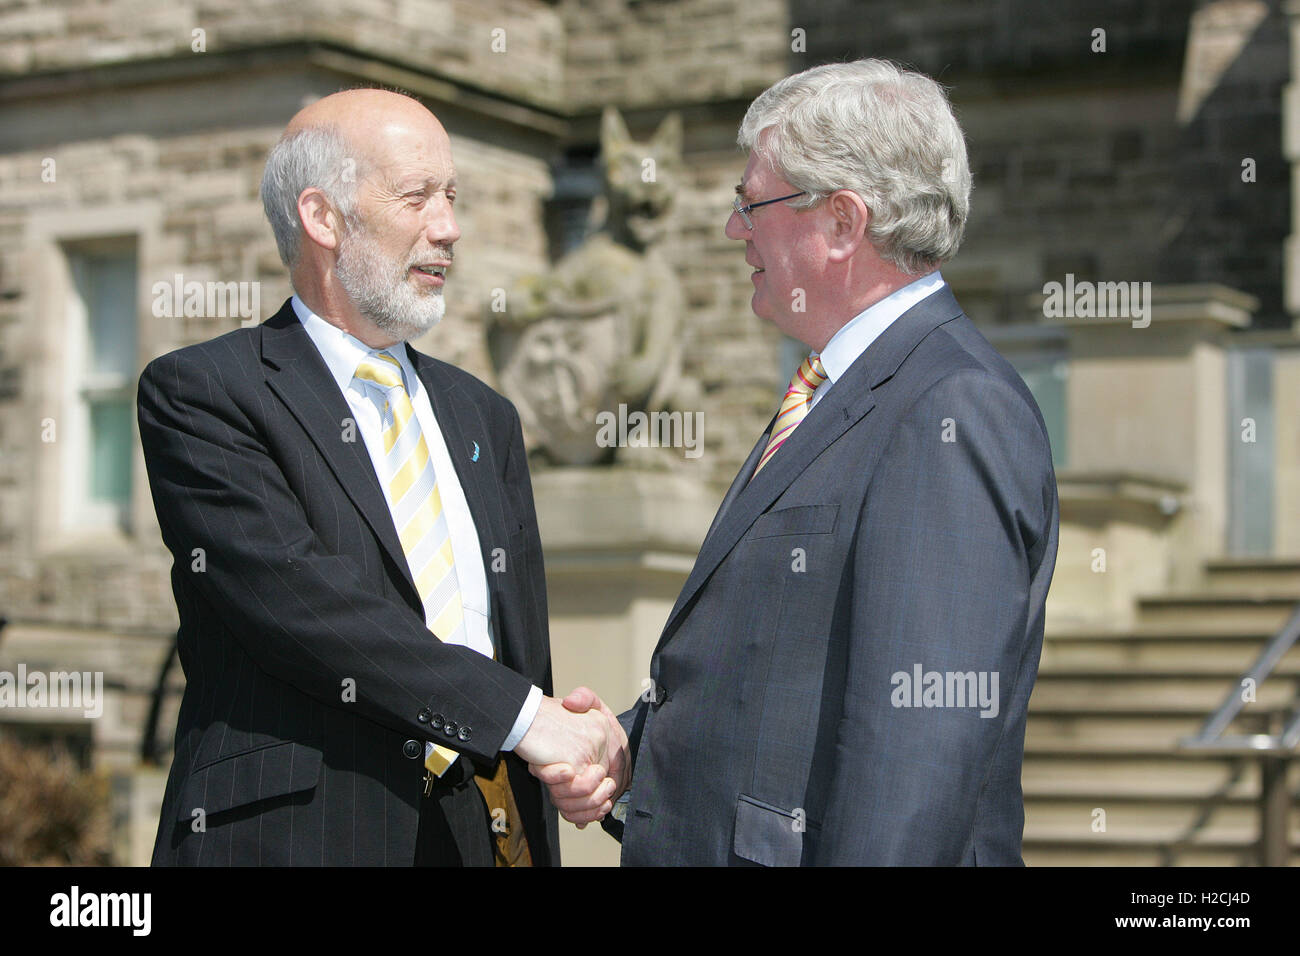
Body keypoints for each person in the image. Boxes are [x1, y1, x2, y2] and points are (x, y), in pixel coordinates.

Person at [534, 59, 1059, 865]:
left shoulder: (949, 408)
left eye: (752, 203)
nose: (733, 229)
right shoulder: (833, 389)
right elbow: (774, 672)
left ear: (844, 222)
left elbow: (910, 774)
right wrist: (633, 748)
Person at [139, 89, 625, 866]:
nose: (449, 228)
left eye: (453, 197)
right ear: (322, 217)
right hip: (296, 840)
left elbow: (517, 652)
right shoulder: (205, 393)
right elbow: (305, 606)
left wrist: (564, 761)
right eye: (417, 197)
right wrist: (529, 719)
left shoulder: (485, 417)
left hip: (480, 839)